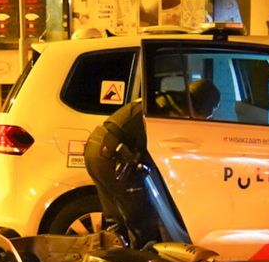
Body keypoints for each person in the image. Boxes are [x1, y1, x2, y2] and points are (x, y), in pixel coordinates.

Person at [84, 79, 219, 247]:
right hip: (112, 154)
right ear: (203, 104)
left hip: (97, 149)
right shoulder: (176, 112)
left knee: (118, 217)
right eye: (209, 113)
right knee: (141, 218)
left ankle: (113, 258)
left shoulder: (169, 100)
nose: (207, 118)